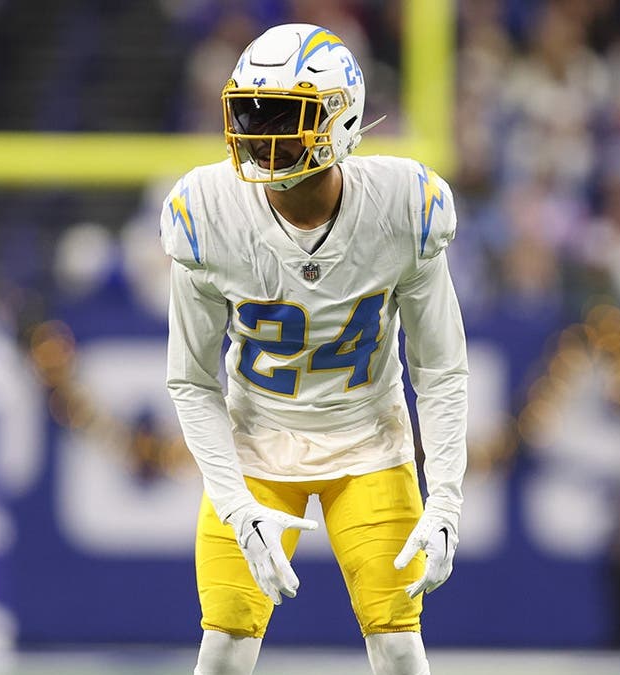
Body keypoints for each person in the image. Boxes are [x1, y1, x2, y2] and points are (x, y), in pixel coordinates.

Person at [161, 24, 468, 675]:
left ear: (340, 118)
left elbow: (440, 369)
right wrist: (237, 502)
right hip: (257, 446)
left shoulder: (400, 206)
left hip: (369, 441)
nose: (257, 130)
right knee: (221, 650)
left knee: (400, 650)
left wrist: (445, 495)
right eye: (247, 110)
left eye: (280, 114)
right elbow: (190, 380)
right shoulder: (207, 210)